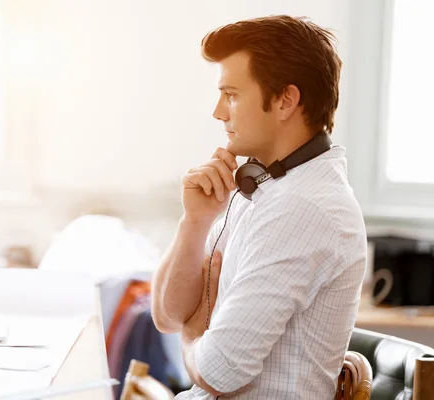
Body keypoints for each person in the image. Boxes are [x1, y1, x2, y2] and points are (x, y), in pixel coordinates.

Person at [150, 15, 367, 399]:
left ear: (285, 100)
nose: (219, 112)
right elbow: (167, 317)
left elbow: (218, 372)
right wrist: (195, 221)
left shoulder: (303, 209)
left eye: (231, 94)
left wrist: (194, 333)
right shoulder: (264, 187)